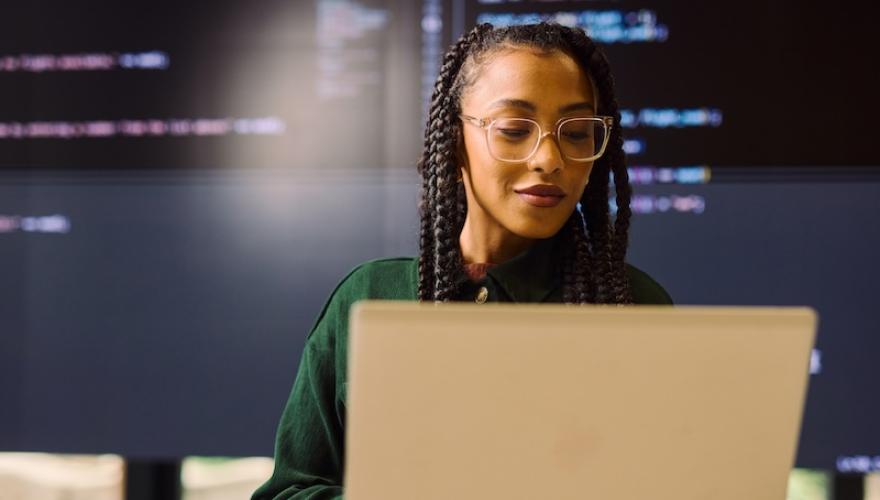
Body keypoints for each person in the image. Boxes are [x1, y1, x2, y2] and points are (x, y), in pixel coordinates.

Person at [252, 22, 672, 499]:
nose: (549, 159)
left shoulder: (631, 306)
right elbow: (289, 491)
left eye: (576, 134)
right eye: (514, 130)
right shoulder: (369, 298)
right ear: (454, 143)